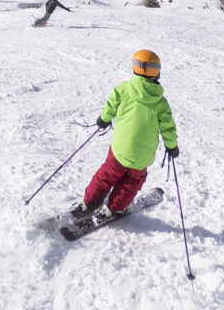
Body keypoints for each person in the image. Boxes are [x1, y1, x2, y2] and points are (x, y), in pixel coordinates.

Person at [73, 49, 179, 217]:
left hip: (120, 148)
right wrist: (171, 146)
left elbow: (111, 106)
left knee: (107, 174)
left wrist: (104, 119)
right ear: (156, 71)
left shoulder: (123, 89)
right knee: (132, 181)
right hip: (142, 156)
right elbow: (168, 128)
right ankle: (112, 208)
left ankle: (88, 203)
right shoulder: (161, 103)